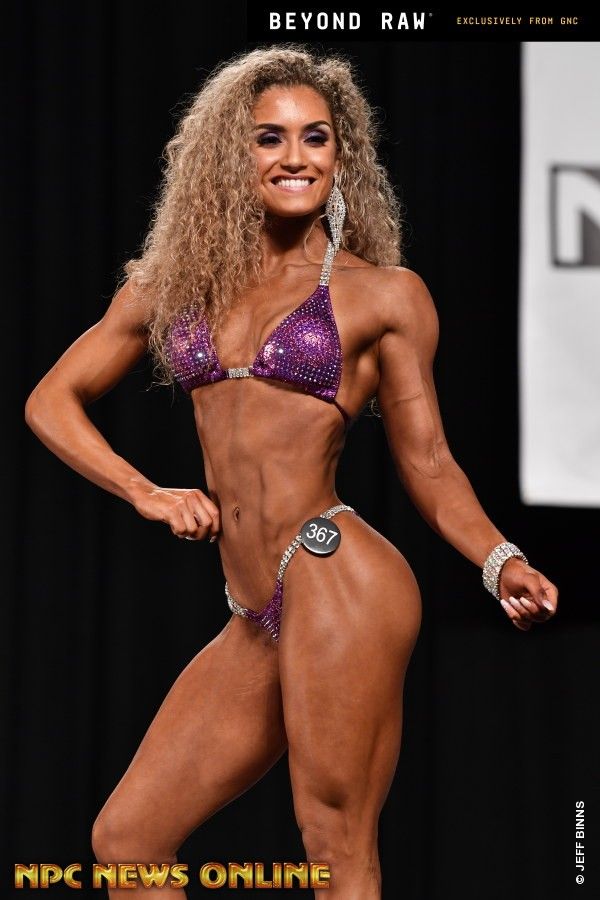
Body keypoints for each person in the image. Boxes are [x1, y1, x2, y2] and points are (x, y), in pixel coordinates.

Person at [24, 44, 558, 899]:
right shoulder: (177, 285)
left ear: (342, 155)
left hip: (333, 569)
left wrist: (500, 560)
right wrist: (145, 491)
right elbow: (51, 400)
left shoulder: (383, 294)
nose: (294, 156)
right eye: (268, 138)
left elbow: (427, 459)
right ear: (230, 156)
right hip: (254, 609)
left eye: (316, 137)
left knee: (333, 840)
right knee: (129, 839)